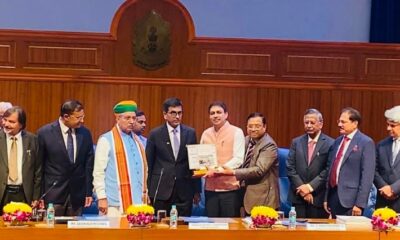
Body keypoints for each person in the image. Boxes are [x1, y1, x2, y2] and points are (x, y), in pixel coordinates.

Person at [214, 112, 279, 215]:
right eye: (250, 126)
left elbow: (259, 170)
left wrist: (233, 172)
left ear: (264, 127)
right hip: (243, 192)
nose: (253, 129)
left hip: (262, 197)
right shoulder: (246, 140)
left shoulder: (269, 145)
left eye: (257, 126)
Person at [38, 100, 94, 216]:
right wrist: (39, 194)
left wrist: (88, 192)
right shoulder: (45, 133)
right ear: (66, 116)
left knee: (75, 233)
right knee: (52, 232)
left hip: (77, 195)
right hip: (53, 194)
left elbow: (88, 165)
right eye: (78, 117)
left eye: (83, 117)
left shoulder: (85, 133)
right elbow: (39, 166)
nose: (82, 121)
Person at [146, 97, 200, 216]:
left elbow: (194, 164)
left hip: (184, 190)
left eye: (180, 113)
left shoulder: (190, 133)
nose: (177, 116)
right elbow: (149, 164)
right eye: (173, 113)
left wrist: (197, 191)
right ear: (165, 115)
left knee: (183, 228)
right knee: (161, 229)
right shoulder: (155, 134)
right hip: (161, 190)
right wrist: (148, 191)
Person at [93, 100, 148, 216]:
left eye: (134, 118)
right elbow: (98, 172)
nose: (131, 122)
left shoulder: (139, 141)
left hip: (137, 202)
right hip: (114, 204)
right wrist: (102, 197)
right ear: (117, 119)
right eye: (127, 118)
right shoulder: (106, 140)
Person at [324, 107, 375, 218]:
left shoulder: (366, 142)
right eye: (339, 121)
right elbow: (331, 169)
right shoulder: (337, 141)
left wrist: (360, 204)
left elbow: (367, 176)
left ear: (355, 123)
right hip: (333, 196)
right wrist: (326, 198)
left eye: (343, 122)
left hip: (351, 201)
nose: (339, 124)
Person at [286, 108, 334, 218]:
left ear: (321, 124)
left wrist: (310, 187)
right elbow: (290, 167)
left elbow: (328, 170)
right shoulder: (296, 142)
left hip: (318, 197)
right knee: (297, 232)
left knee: (317, 234)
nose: (308, 125)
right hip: (298, 196)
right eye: (306, 122)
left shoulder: (330, 143)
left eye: (312, 122)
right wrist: (303, 189)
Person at [201, 101, 245, 217]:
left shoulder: (237, 132)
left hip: (230, 190)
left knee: (230, 229)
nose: (215, 115)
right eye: (212, 113)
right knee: (211, 228)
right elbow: (201, 158)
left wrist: (216, 170)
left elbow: (238, 159)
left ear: (226, 114)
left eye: (219, 112)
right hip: (210, 189)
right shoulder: (206, 133)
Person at [0, 106, 41, 213]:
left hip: (24, 194)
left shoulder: (33, 140)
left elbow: (38, 171)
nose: (6, 124)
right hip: (2, 194)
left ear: (21, 125)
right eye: (4, 120)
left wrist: (36, 197)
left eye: (11, 122)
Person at [374, 105, 400, 212]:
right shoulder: (381, 145)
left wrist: (393, 189)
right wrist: (385, 188)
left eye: (392, 125)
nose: (388, 128)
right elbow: (374, 171)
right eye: (388, 124)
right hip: (383, 202)